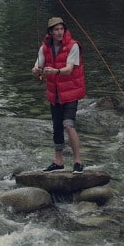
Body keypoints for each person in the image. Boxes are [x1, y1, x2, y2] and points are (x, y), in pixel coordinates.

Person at [32, 16, 86, 173]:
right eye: (56, 29)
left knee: (68, 125)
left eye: (62, 29)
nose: (60, 32)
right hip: (54, 93)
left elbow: (69, 69)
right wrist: (36, 71)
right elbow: (36, 67)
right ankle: (59, 162)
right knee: (57, 127)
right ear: (50, 32)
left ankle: (78, 161)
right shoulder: (44, 48)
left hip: (71, 92)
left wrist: (55, 71)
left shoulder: (73, 46)